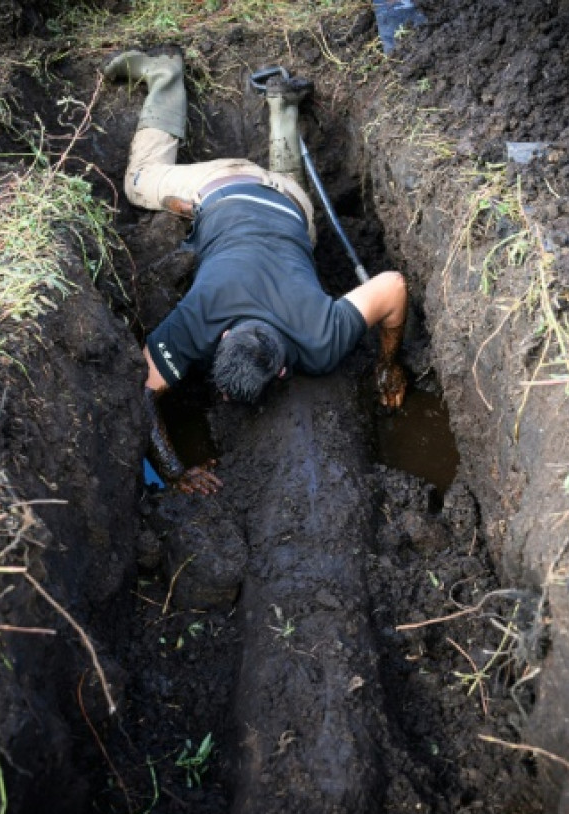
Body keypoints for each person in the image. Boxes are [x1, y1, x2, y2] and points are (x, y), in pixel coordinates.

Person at [105, 47, 408, 494]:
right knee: (152, 182)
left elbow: (144, 392)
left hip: (277, 203)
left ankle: (220, 89)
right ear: (282, 369)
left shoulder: (312, 335)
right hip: (244, 192)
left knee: (147, 181)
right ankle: (236, 95)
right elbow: (394, 285)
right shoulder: (313, 338)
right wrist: (389, 367)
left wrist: (175, 471)